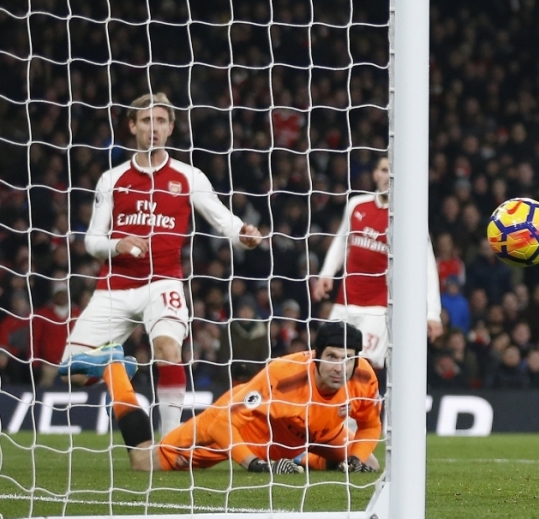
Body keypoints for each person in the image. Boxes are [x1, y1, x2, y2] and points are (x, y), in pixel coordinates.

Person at [69, 92, 264, 435]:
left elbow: (224, 221)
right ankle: (117, 364)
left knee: (168, 348)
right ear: (132, 126)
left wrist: (243, 235)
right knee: (75, 373)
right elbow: (92, 242)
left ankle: (170, 438)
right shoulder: (112, 179)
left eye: (160, 121)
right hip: (115, 285)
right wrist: (119, 244)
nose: (153, 128)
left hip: (163, 282)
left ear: (171, 127)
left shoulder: (189, 177)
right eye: (146, 121)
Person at [62, 321, 381, 474]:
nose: (340, 367)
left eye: (348, 358)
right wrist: (253, 462)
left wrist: (357, 454)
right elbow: (223, 421)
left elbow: (369, 425)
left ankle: (299, 457)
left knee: (369, 460)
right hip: (237, 432)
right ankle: (114, 368)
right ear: (315, 357)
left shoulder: (364, 375)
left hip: (308, 436)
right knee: (144, 462)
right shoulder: (282, 376)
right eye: (332, 356)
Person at [314, 156, 444, 373]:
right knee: (327, 364)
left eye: (393, 172)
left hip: (378, 307)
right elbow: (341, 240)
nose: (388, 176)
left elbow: (427, 266)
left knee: (363, 368)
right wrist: (326, 273)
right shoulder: (356, 204)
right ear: (375, 174)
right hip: (345, 300)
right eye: (384, 170)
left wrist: (432, 313)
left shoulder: (409, 218)